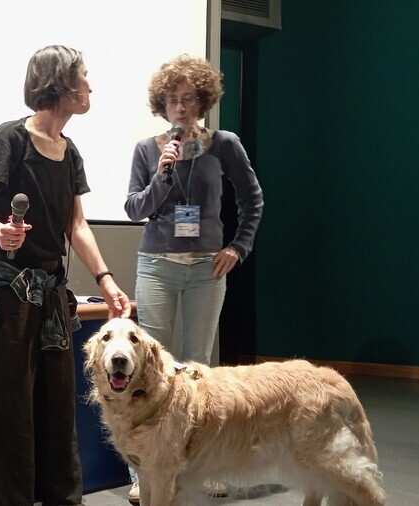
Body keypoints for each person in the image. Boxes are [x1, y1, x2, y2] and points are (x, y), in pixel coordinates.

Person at [0, 44, 131, 506]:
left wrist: (106, 280)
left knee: (56, 411)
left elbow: (76, 226)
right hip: (6, 294)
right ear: (61, 82)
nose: (91, 85)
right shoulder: (8, 139)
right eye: (84, 75)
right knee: (9, 416)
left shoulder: (70, 153)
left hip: (51, 296)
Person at [123, 54, 264, 503]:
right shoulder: (149, 150)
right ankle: (142, 469)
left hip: (207, 268)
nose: (180, 108)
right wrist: (164, 173)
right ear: (161, 105)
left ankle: (204, 463)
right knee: (149, 368)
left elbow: (252, 200)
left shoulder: (225, 145)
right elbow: (134, 209)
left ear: (203, 102)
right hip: (157, 266)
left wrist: (238, 247)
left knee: (200, 367)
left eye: (188, 100)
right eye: (172, 101)